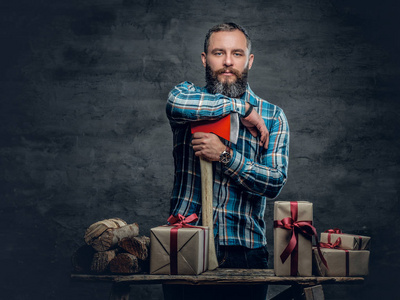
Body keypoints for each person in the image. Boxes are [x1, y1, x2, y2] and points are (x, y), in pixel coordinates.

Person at [164, 23, 289, 300]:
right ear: (204, 58)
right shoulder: (186, 97)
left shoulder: (272, 116)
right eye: (219, 53)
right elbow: (175, 103)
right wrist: (241, 107)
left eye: (237, 53)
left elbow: (274, 182)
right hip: (185, 241)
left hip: (244, 248)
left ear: (250, 60)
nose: (228, 62)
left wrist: (226, 156)